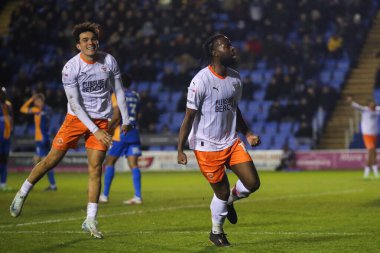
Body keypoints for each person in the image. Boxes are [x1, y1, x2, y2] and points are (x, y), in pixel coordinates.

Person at [9, 22, 131, 239]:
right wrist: (95, 130)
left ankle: (90, 220)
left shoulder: (109, 60)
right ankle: (22, 192)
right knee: (50, 160)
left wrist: (126, 118)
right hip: (76, 119)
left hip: (102, 121)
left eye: (92, 39)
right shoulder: (70, 68)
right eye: (85, 40)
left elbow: (119, 91)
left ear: (98, 41)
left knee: (95, 169)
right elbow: (75, 105)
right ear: (78, 45)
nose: (90, 43)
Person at [177, 34, 261, 247]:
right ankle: (216, 233)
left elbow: (235, 109)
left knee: (253, 183)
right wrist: (180, 148)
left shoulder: (235, 78)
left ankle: (230, 201)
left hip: (231, 141)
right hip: (206, 147)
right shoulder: (200, 81)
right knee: (221, 192)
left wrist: (248, 133)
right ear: (215, 52)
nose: (233, 49)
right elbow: (189, 117)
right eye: (227, 46)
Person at [99, 74, 143, 204]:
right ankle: (138, 196)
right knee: (134, 165)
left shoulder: (116, 94)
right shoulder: (136, 95)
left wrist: (106, 130)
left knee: (110, 162)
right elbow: (138, 114)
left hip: (121, 134)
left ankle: (105, 195)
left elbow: (117, 115)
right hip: (134, 132)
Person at [20, 93, 57, 191]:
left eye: (37, 100)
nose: (36, 102)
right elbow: (22, 109)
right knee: (45, 163)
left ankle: (30, 184)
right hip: (41, 139)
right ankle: (52, 185)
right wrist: (31, 99)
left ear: (41, 101)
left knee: (39, 162)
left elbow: (49, 116)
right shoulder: (36, 110)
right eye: (35, 101)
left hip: (42, 139)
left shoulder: (46, 110)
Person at [347, 96, 380, 179]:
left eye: (374, 105)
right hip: (367, 135)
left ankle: (369, 171)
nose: (373, 107)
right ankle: (372, 170)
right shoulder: (365, 110)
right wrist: (350, 102)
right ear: (368, 106)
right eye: (372, 105)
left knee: (373, 153)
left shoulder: (378, 110)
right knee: (371, 150)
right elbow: (356, 106)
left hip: (375, 135)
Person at [0, 86, 13, 191]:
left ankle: (3, 183)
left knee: (4, 161)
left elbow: (11, 120)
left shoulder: (8, 105)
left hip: (6, 138)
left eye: (3, 93)